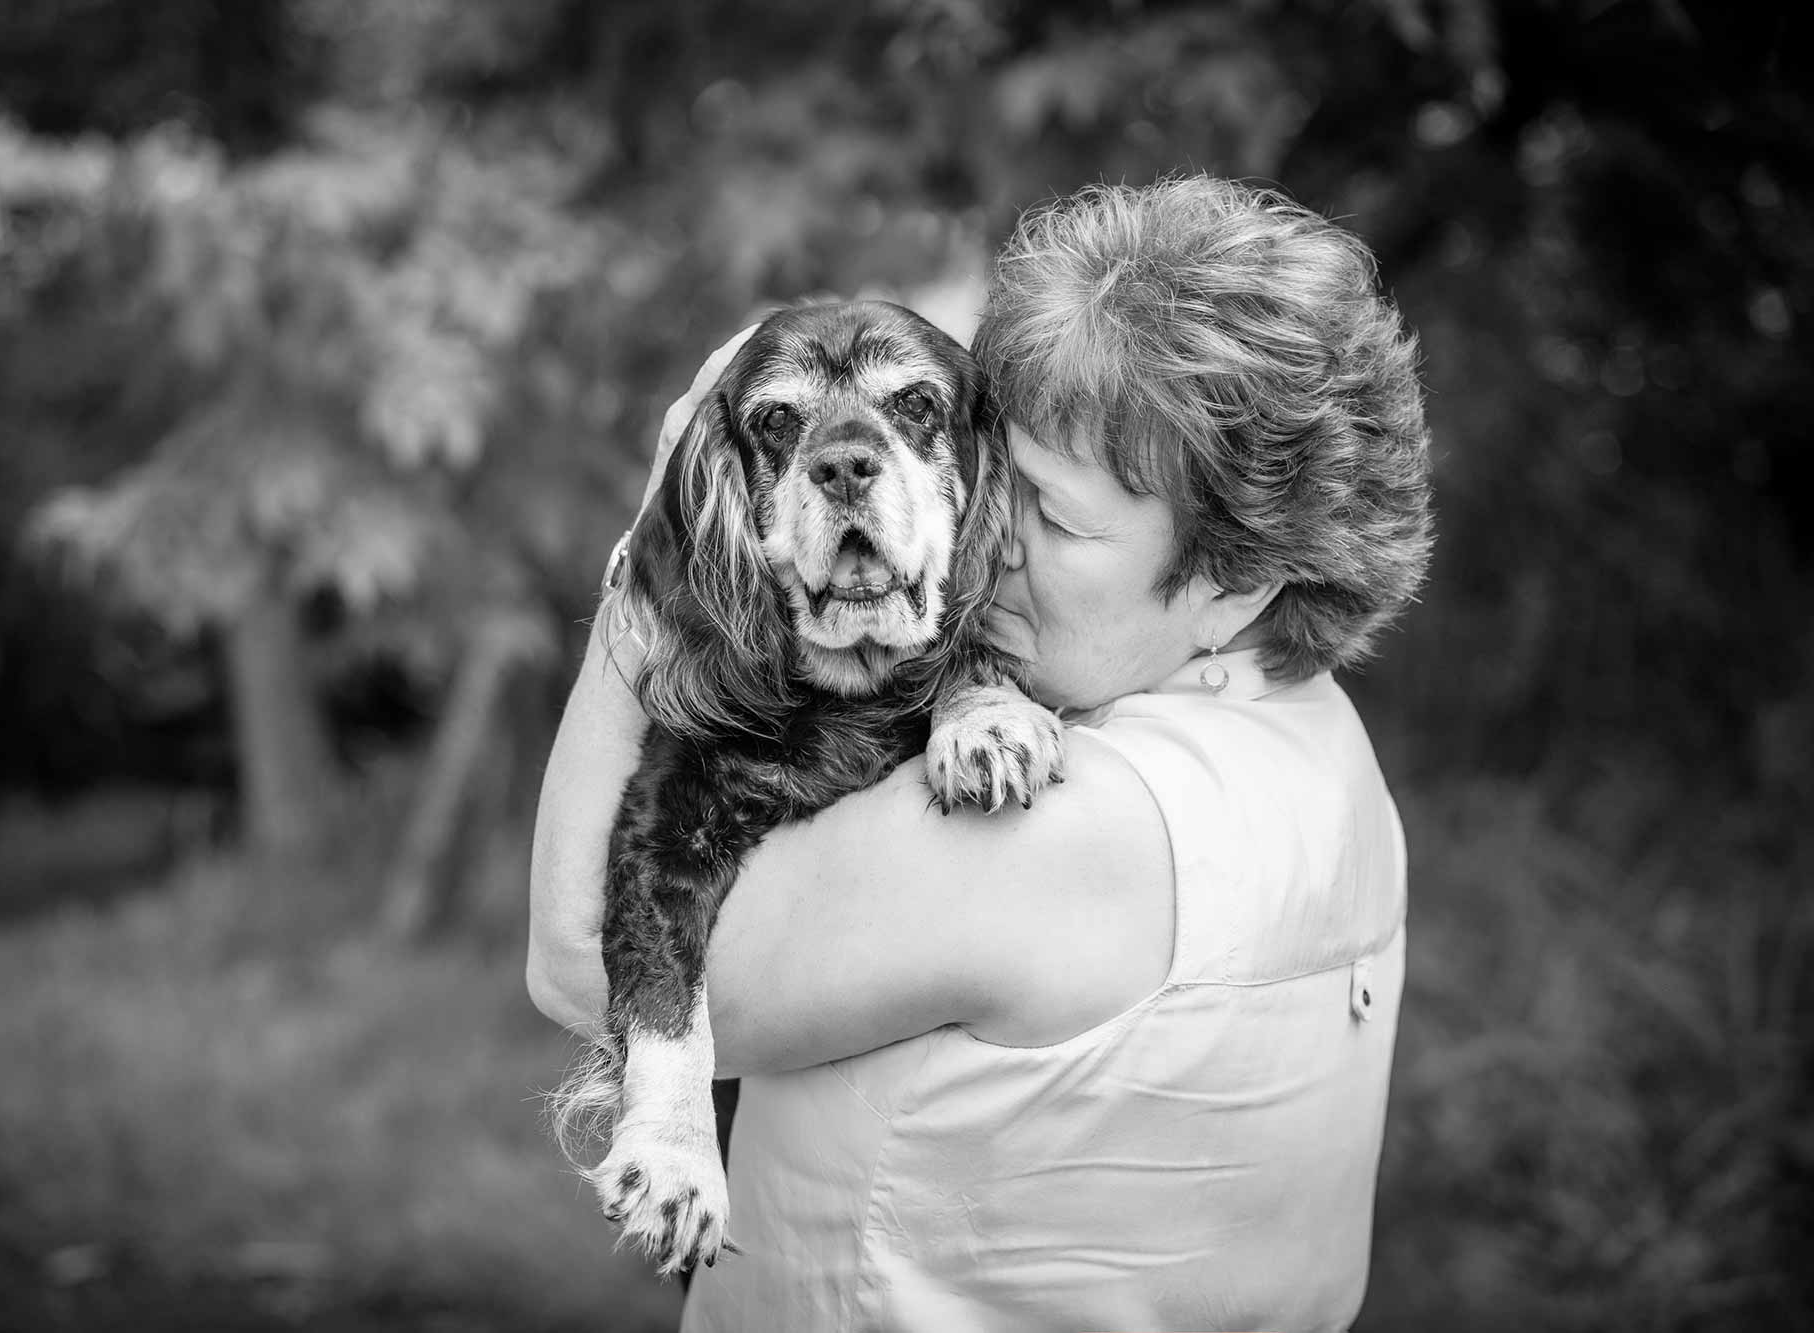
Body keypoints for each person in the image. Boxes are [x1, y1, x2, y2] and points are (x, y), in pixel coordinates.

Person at [527, 175, 1433, 1333]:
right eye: (993, 480)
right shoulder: (1321, 751)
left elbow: (571, 952)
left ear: (1233, 578)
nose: (977, 543)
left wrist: (651, 556)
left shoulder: (1045, 834)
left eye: (1050, 520)